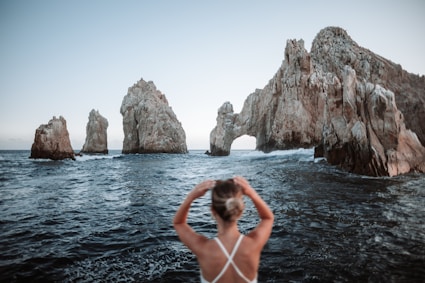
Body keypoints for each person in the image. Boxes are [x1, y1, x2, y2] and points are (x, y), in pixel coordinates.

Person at [173, 176, 274, 283]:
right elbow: (268, 218)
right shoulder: (252, 244)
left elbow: (178, 223)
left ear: (212, 210)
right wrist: (251, 192)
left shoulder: (203, 248)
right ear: (240, 209)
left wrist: (191, 196)